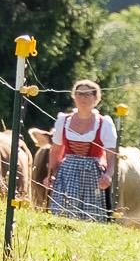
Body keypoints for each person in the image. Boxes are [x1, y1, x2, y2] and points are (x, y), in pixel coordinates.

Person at [43, 80, 116, 222]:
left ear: (96, 98)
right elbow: (56, 150)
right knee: (62, 211)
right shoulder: (63, 120)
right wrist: (51, 174)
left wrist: (108, 174)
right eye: (79, 94)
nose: (83, 98)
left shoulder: (104, 123)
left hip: (91, 172)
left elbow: (111, 154)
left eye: (87, 95)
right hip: (67, 171)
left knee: (90, 213)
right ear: (74, 97)